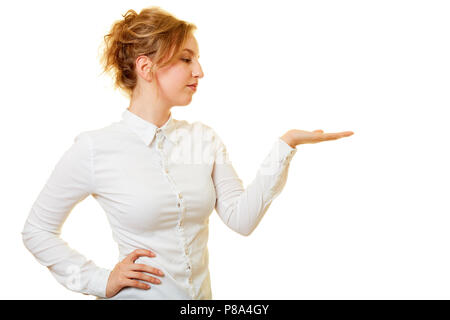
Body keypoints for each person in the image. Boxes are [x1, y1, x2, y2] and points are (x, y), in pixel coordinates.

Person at [21, 6, 354, 300]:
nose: (199, 71)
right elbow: (36, 230)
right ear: (145, 67)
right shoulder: (95, 148)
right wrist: (100, 280)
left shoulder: (203, 139)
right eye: (186, 58)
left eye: (196, 58)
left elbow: (242, 219)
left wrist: (285, 146)